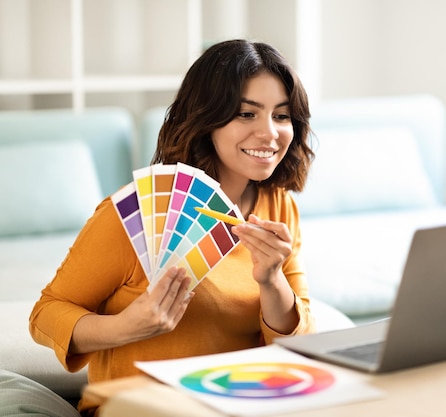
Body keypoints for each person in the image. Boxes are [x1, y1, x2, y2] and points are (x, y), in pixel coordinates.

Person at [29, 39, 316, 416]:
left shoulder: (278, 205)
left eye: (281, 116)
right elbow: (46, 312)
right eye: (247, 114)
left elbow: (298, 338)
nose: (269, 133)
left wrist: (271, 280)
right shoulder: (135, 213)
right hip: (140, 404)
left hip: (237, 399)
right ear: (206, 118)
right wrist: (126, 327)